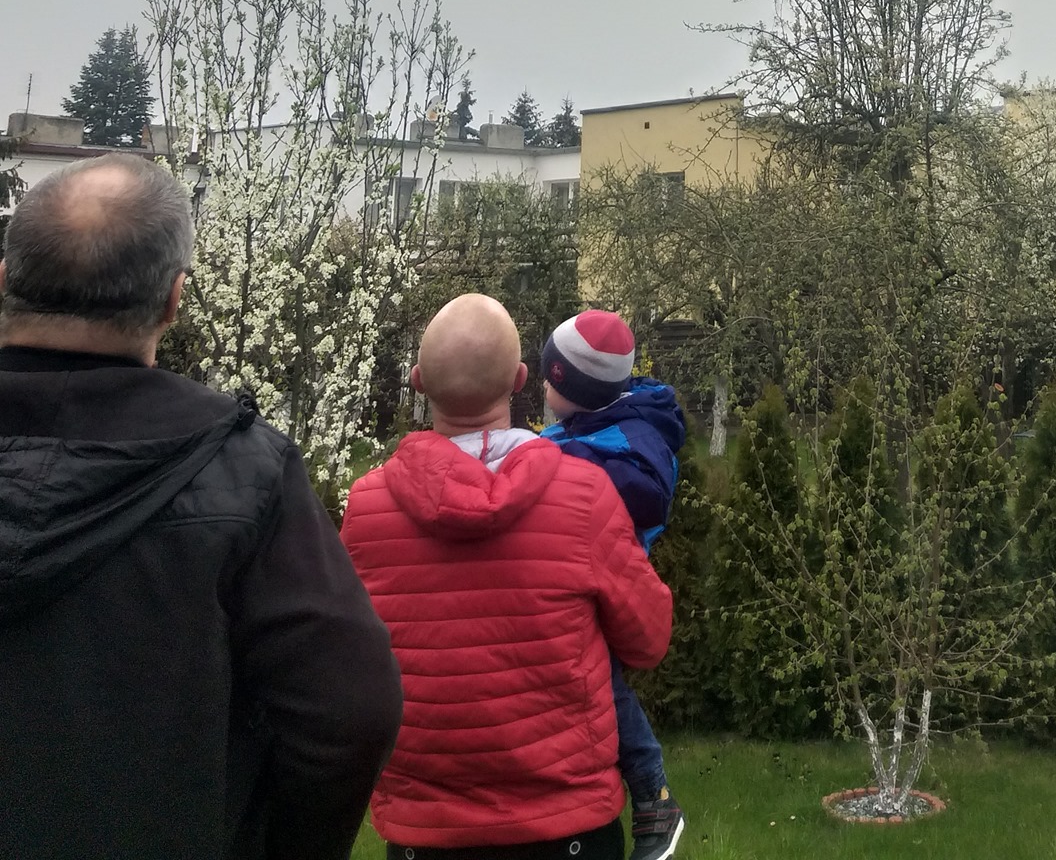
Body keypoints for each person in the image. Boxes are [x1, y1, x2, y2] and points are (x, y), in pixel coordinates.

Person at [0, 155, 402, 860]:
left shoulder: (239, 467)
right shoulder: (243, 471)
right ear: (173, 301)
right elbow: (350, 708)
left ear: (3, 282)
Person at [343, 294, 673, 860]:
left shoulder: (367, 509)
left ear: (418, 381)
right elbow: (648, 640)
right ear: (521, 379)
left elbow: (346, 661)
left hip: (426, 832)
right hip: (566, 827)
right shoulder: (585, 496)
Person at [539, 309, 687, 860]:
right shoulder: (600, 417)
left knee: (600, 677)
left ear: (568, 386)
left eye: (550, 375)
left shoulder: (635, 432)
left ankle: (654, 791)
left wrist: (561, 457)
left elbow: (647, 491)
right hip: (582, 565)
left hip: (607, 576)